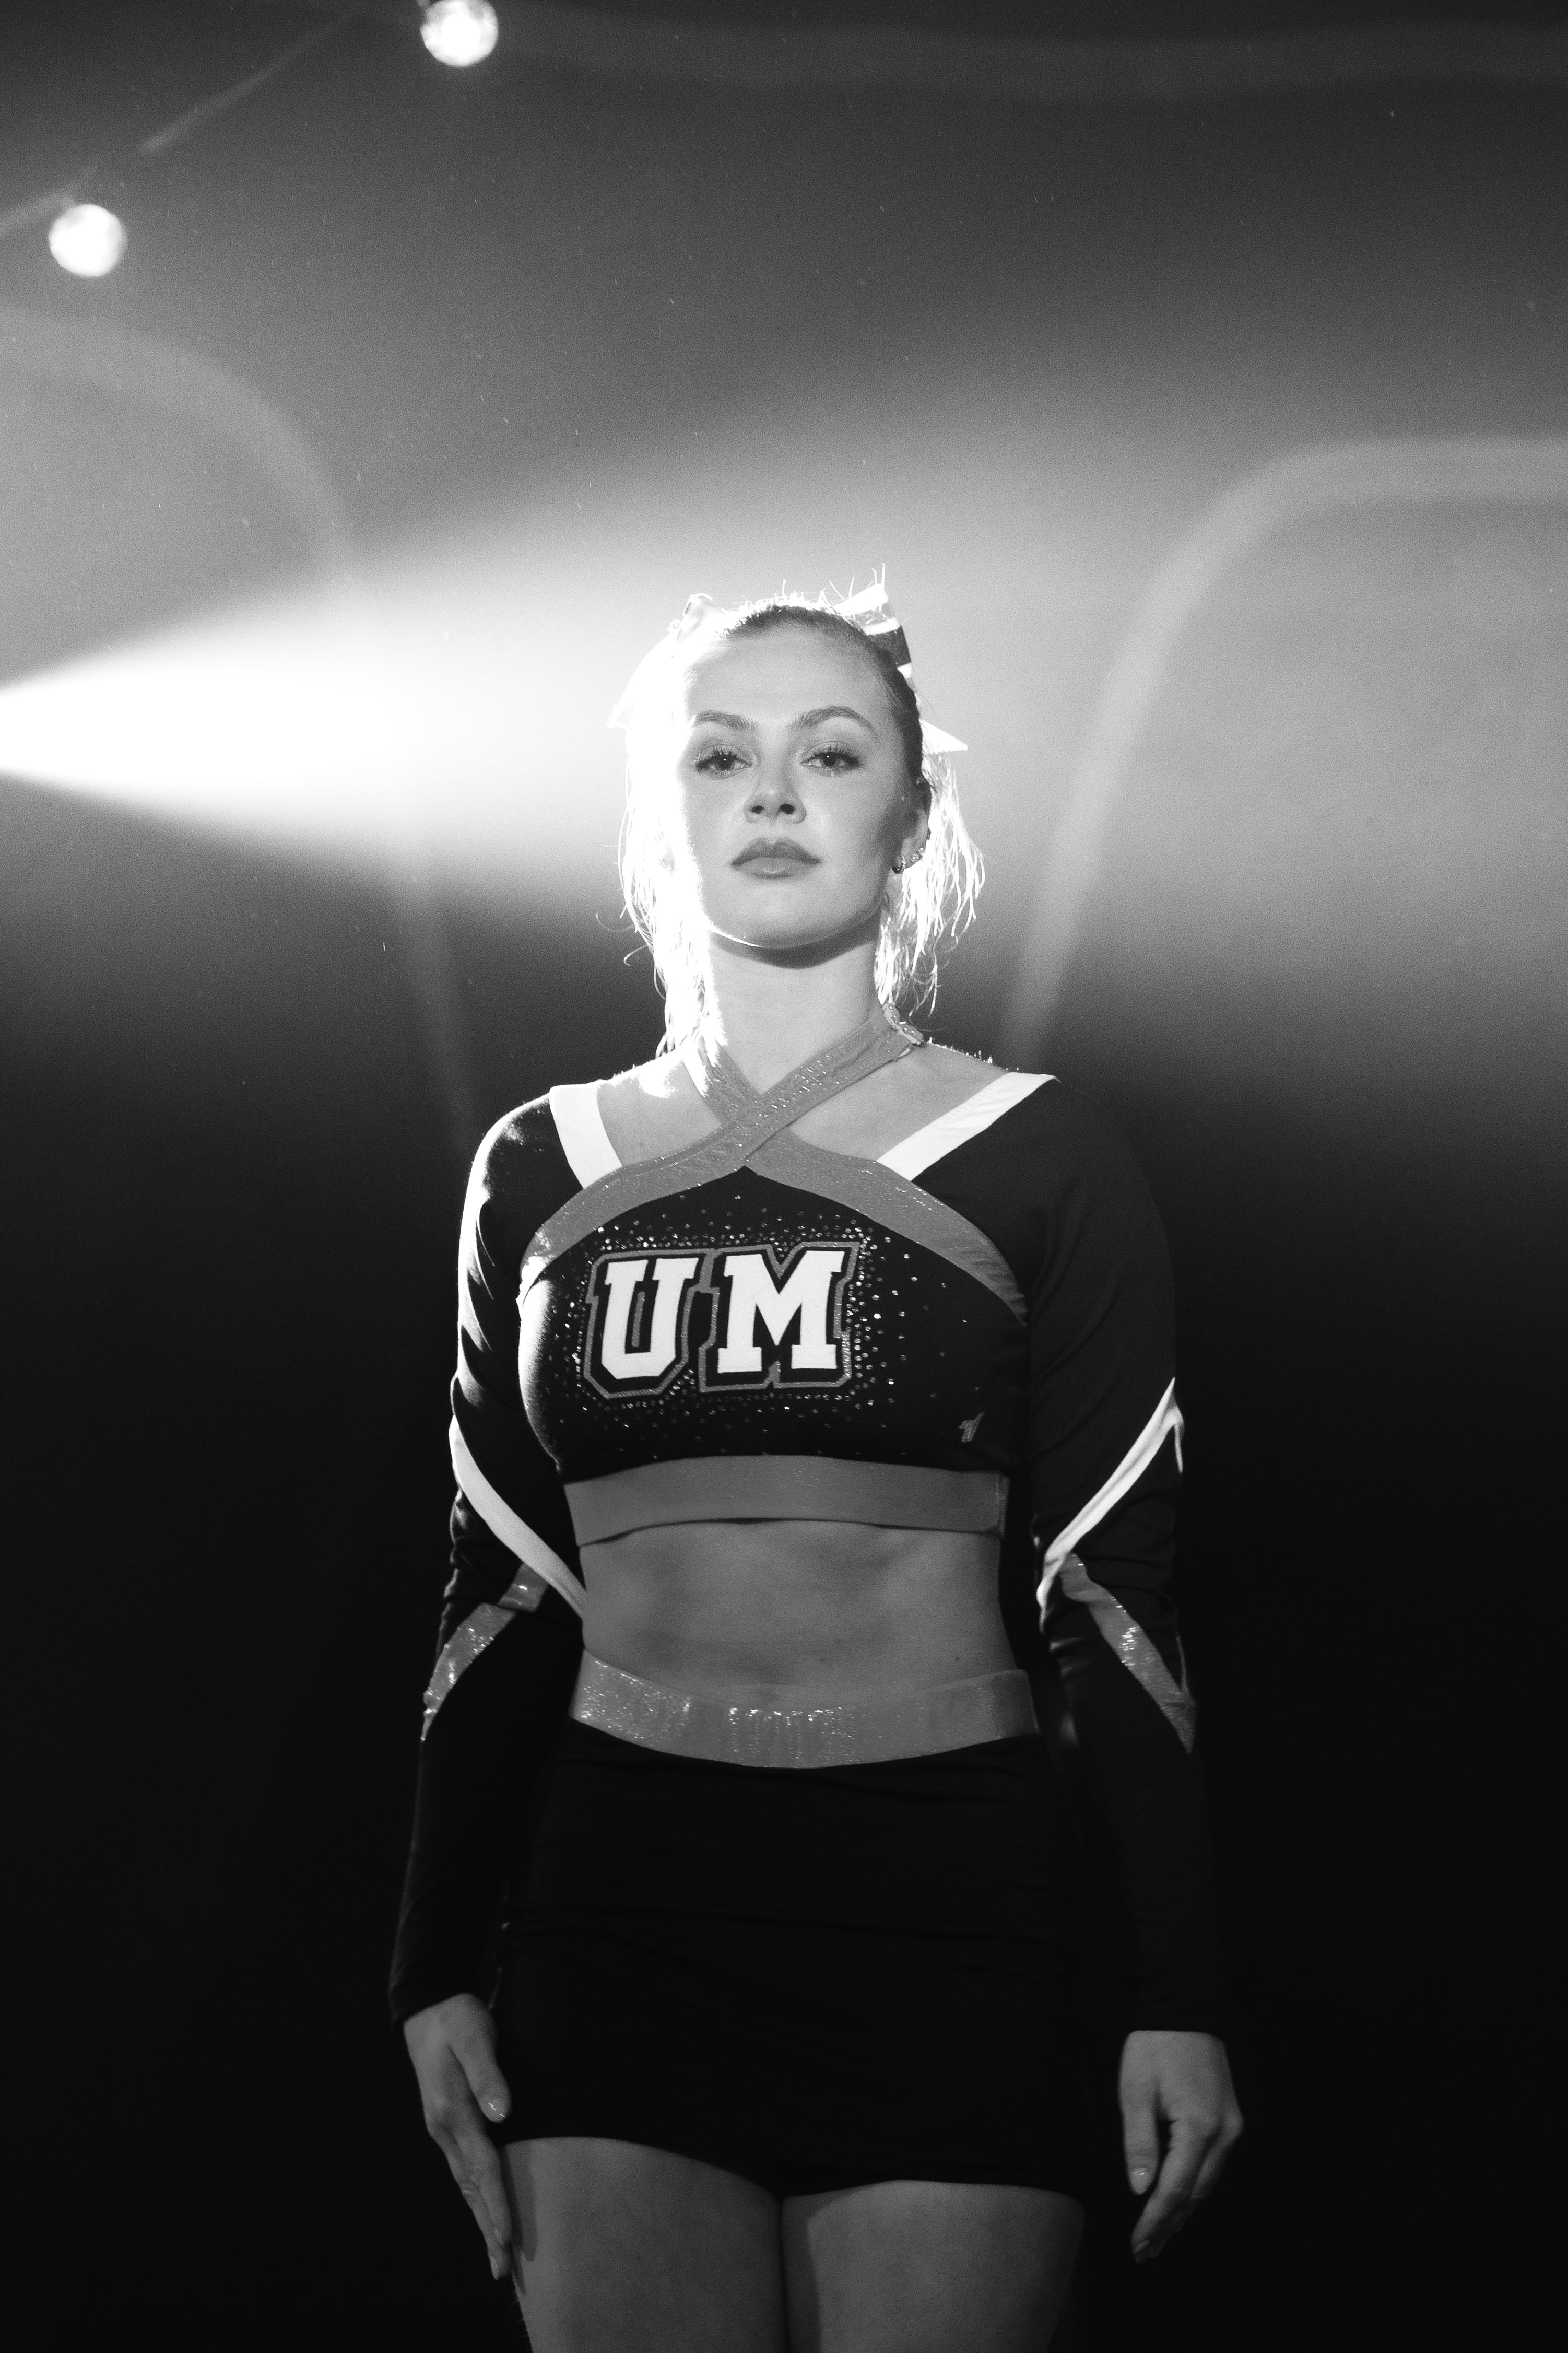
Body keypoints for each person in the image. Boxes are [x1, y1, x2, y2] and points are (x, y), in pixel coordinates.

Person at [389, 580, 1243, 2351]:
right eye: (721, 756)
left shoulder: (1038, 1154)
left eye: (830, 754)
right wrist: (429, 1961)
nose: (773, 792)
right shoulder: (538, 1167)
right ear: (663, 815)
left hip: (947, 1902)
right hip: (618, 1900)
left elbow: (1111, 1596)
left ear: (910, 817)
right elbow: (498, 1592)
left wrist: (1178, 1986)